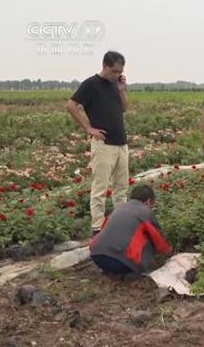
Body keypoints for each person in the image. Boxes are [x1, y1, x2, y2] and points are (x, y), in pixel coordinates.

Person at [66, 51, 129, 236]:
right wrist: (88, 128)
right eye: (115, 71)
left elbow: (124, 108)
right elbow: (70, 105)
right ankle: (97, 229)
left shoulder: (114, 85)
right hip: (104, 145)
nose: (117, 74)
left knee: (121, 188)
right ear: (105, 66)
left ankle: (121, 224)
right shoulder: (91, 85)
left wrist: (121, 89)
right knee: (100, 188)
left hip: (121, 143)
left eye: (121, 71)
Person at [89, 185, 172, 275]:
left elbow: (103, 229)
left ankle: (109, 269)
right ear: (148, 202)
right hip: (122, 263)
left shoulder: (118, 209)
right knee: (149, 240)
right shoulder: (145, 212)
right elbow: (159, 240)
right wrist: (169, 252)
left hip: (97, 257)